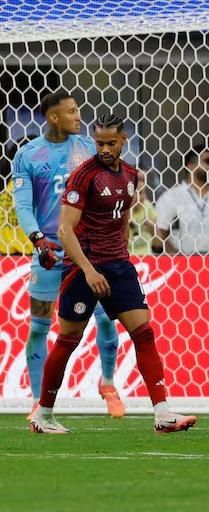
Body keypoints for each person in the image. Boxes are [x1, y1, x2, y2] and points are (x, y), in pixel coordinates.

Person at [31, 114, 197, 434]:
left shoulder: (132, 175)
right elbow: (64, 230)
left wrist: (121, 256)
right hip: (83, 269)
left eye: (110, 143)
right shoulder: (84, 177)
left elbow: (121, 220)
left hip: (118, 267)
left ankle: (163, 414)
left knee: (144, 333)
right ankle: (43, 414)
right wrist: (90, 270)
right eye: (99, 143)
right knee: (68, 340)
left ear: (123, 140)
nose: (104, 149)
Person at [13, 91, 123, 420]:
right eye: (72, 111)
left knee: (105, 316)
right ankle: (37, 401)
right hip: (48, 248)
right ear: (53, 118)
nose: (79, 117)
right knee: (38, 326)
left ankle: (107, 383)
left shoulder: (90, 150)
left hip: (87, 249)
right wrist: (38, 242)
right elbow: (22, 205)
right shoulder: (29, 155)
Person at [154, 146, 209, 255]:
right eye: (207, 161)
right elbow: (158, 231)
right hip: (184, 263)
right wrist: (174, 255)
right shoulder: (172, 197)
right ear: (190, 166)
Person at [128, 171, 157, 255]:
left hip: (148, 257)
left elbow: (159, 244)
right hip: (126, 259)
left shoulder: (147, 206)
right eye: (139, 193)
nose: (144, 197)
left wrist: (152, 228)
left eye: (144, 192)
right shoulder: (118, 209)